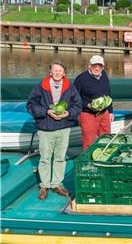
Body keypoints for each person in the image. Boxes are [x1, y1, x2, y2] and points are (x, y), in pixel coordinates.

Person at [26, 60, 82, 200]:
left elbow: (78, 105)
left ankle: (56, 184)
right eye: (55, 70)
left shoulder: (70, 87)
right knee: (45, 158)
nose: (57, 72)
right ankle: (44, 185)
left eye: (60, 70)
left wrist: (68, 113)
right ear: (50, 72)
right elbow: (31, 105)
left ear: (64, 73)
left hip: (63, 128)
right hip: (46, 128)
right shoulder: (41, 87)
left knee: (60, 157)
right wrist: (46, 111)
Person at [74, 55, 114, 150]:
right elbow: (74, 97)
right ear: (89, 66)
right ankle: (87, 162)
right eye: (94, 66)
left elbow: (108, 93)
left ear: (103, 67)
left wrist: (110, 111)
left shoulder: (104, 75)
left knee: (106, 139)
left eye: (100, 66)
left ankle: (103, 159)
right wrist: (87, 105)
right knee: (88, 142)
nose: (97, 68)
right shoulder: (81, 79)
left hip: (104, 114)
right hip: (88, 114)